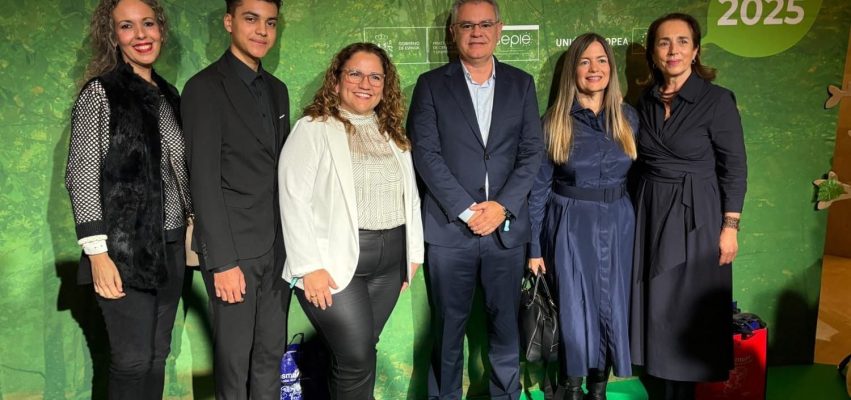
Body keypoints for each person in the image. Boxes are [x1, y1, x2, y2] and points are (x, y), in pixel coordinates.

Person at [407, 0, 544, 398]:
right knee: (448, 330)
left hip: (506, 231)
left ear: (499, 29)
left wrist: (501, 207)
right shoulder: (431, 85)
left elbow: (531, 152)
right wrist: (468, 211)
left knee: (505, 330)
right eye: (467, 25)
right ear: (454, 32)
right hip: (450, 231)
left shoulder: (522, 84)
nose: (477, 32)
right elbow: (426, 154)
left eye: (485, 24)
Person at [277, 42, 424, 400]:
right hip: (334, 262)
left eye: (375, 77)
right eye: (355, 73)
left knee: (360, 352)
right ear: (337, 80)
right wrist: (308, 267)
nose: (365, 83)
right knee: (356, 357)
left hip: (390, 264)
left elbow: (410, 197)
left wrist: (413, 254)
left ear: (385, 85)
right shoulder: (313, 128)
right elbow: (293, 197)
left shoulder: (391, 132)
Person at [65, 0, 189, 398]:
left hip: (171, 247)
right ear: (113, 36)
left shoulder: (169, 95)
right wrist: (98, 255)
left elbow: (178, 167)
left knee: (157, 356)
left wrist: (193, 222)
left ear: (161, 29)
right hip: (123, 251)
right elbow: (81, 174)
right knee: (132, 361)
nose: (141, 35)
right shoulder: (101, 93)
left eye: (148, 23)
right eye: (127, 26)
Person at [630, 13, 747, 400]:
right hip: (650, 211)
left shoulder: (717, 100)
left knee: (687, 309)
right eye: (664, 42)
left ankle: (682, 393)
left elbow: (734, 167)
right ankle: (663, 388)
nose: (673, 50)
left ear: (695, 50)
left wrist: (730, 226)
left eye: (682, 41)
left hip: (697, 216)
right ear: (654, 52)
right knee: (658, 306)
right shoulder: (645, 101)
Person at [181, 0, 290, 398]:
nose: (262, 30)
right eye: (251, 19)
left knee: (270, 358)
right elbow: (203, 181)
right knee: (234, 364)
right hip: (233, 253)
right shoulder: (203, 88)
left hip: (278, 250)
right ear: (229, 22)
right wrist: (223, 262)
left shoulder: (277, 90)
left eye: (270, 22)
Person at [527, 33, 638, 400]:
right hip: (569, 226)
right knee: (573, 309)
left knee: (612, 306)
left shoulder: (628, 118)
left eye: (602, 60)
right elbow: (538, 190)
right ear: (572, 70)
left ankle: (599, 389)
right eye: (585, 61)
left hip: (619, 226)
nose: (595, 68)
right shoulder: (553, 123)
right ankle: (571, 389)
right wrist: (534, 247)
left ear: (611, 69)